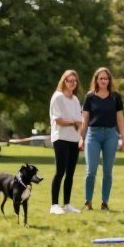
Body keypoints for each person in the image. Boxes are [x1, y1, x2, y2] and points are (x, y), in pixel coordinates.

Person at [79, 67, 124, 211]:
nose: (104, 81)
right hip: (93, 135)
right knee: (91, 171)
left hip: (111, 135)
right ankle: (88, 202)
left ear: (109, 80)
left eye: (106, 78)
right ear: (96, 80)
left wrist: (123, 138)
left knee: (107, 171)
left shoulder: (115, 96)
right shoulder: (89, 97)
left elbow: (120, 118)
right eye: (101, 78)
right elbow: (85, 119)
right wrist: (81, 137)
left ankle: (104, 203)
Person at [49, 70, 83, 214]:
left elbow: (79, 121)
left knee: (70, 173)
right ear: (63, 81)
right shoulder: (57, 97)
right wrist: (72, 122)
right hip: (60, 138)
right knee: (60, 171)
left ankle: (67, 204)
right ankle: (54, 205)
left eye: (74, 81)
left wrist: (74, 125)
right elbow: (59, 121)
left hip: (73, 139)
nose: (72, 83)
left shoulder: (75, 100)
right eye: (69, 80)